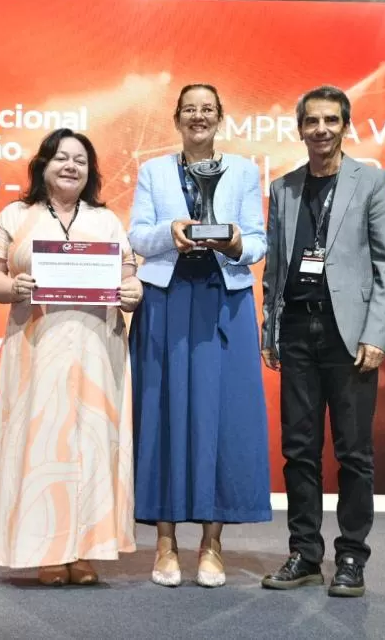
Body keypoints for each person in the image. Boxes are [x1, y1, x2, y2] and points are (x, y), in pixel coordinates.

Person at [0, 128, 142, 586]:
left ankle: (86, 552)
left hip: (97, 349)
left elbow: (130, 278)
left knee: (91, 444)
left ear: (90, 172)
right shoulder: (16, 215)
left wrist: (132, 293)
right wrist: (11, 288)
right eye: (62, 158)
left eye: (81, 161)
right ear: (43, 165)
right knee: (42, 444)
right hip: (36, 345)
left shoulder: (106, 221)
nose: (71, 166)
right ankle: (49, 551)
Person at [128, 83, 272, 588]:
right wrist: (170, 231)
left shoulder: (243, 170)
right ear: (177, 118)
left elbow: (257, 241)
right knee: (163, 415)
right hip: (166, 300)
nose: (198, 116)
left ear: (219, 117)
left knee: (221, 420)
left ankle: (212, 545)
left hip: (223, 298)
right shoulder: (153, 171)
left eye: (207, 109)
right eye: (190, 109)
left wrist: (234, 241)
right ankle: (165, 542)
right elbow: (137, 237)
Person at [259, 85, 385, 597]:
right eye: (311, 121)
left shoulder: (372, 181)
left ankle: (352, 558)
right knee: (299, 449)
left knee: (354, 452)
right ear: (299, 129)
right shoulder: (283, 188)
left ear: (345, 125)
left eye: (331, 121)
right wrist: (269, 331)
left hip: (351, 337)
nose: (321, 129)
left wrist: (376, 334)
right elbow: (274, 267)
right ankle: (304, 553)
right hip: (296, 329)